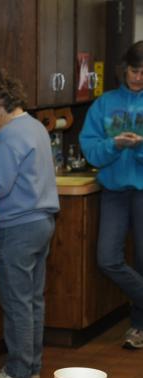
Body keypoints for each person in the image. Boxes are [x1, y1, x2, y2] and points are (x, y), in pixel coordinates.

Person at [0, 70, 60, 378]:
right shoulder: (35, 126)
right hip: (42, 222)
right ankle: (32, 364)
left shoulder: (8, 136)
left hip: (16, 227)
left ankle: (19, 371)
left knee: (17, 301)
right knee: (34, 299)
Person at [79, 40, 143, 350]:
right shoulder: (103, 105)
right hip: (114, 192)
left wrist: (140, 147)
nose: (138, 78)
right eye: (134, 70)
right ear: (124, 69)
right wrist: (114, 145)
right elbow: (90, 151)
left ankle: (138, 328)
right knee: (108, 258)